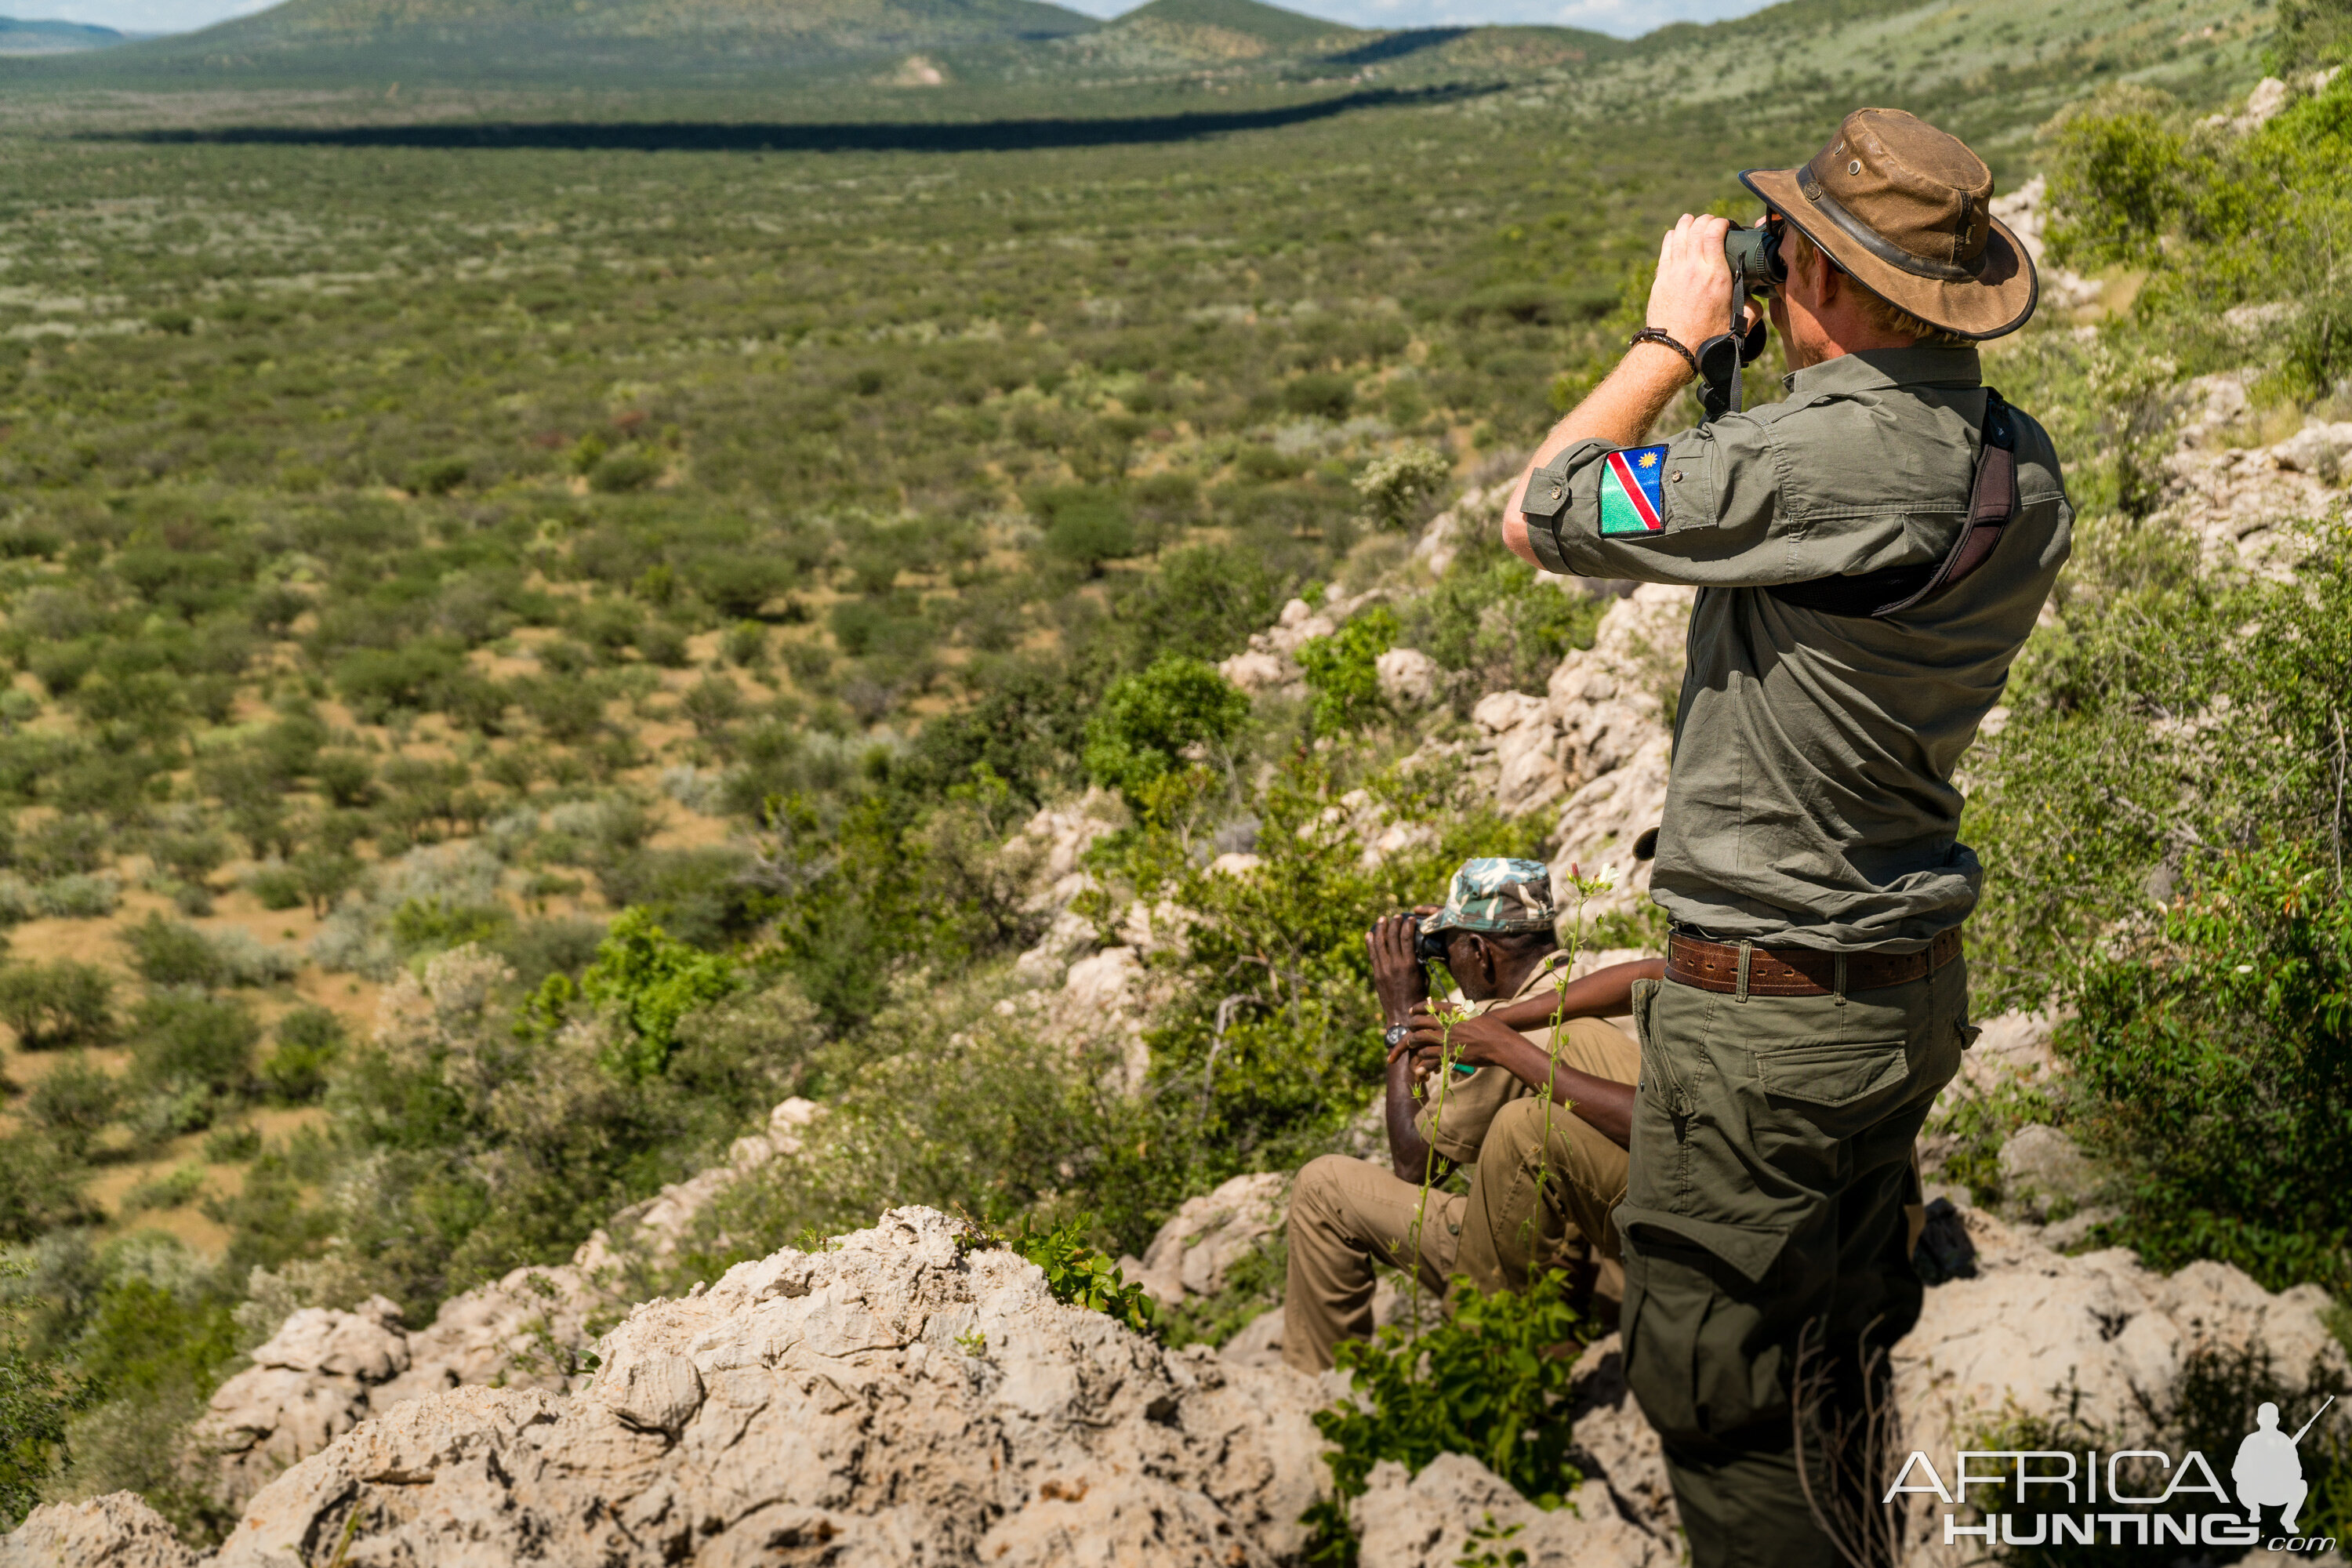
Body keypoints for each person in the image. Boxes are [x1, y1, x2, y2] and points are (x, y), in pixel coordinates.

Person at [1499, 109, 2074, 1567]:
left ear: (1843, 280)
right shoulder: (2017, 454)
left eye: (1794, 248)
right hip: (1900, 989)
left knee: (1722, 1399)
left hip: (1770, 1032)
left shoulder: (1823, 464)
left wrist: (1671, 340)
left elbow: (1542, 509)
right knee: (1839, 1334)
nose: (1770, 262)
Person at [1282, 857, 1662, 1374]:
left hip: (1580, 1275)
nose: (1448, 968)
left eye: (1450, 951)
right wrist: (1461, 937)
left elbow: (1417, 1167)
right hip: (1604, 1248)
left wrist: (1401, 1016)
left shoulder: (1506, 1036)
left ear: (1482, 954)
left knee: (1322, 1187)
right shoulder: (1577, 990)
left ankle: (1314, 1389)